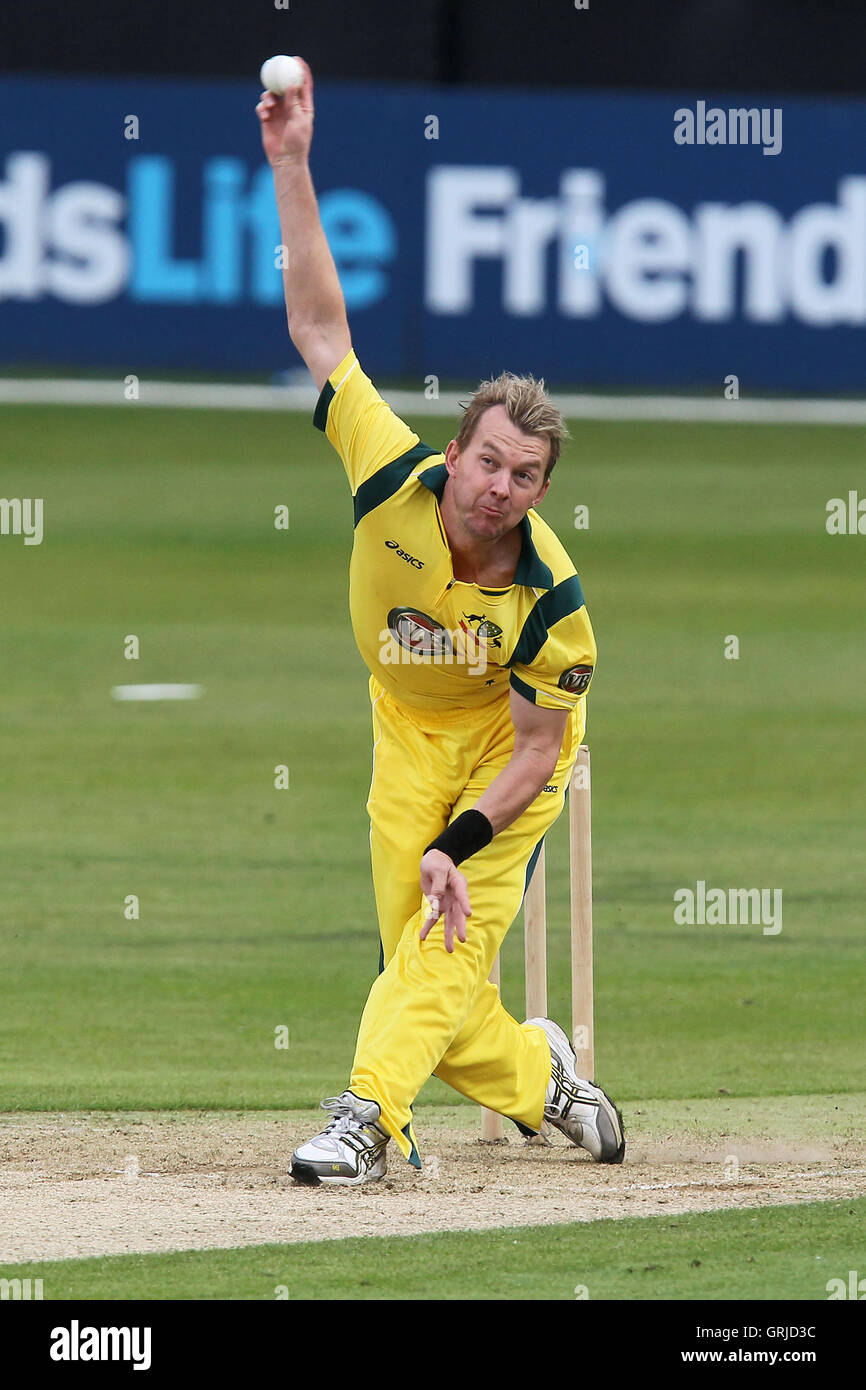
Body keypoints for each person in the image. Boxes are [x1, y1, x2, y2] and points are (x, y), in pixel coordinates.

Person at [257, 59, 625, 1186]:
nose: (498, 487)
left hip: (500, 767)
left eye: (524, 476)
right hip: (402, 730)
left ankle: (367, 1122)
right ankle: (540, 1075)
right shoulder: (389, 474)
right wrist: (291, 166)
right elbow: (324, 332)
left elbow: (533, 749)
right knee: (436, 983)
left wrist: (457, 845)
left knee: (431, 949)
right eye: (487, 461)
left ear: (538, 491)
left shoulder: (550, 602)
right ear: (453, 450)